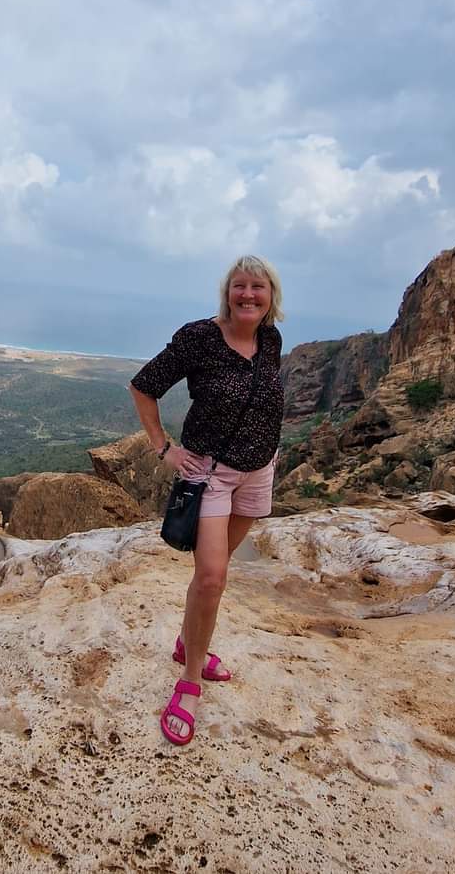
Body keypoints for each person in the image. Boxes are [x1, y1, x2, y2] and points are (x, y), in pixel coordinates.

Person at [129, 255, 285, 746]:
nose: (248, 295)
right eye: (240, 286)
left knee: (212, 576)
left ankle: (185, 642)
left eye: (257, 287)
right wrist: (163, 447)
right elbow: (143, 386)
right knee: (213, 577)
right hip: (210, 474)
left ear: (270, 295)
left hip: (258, 471)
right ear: (227, 292)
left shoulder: (271, 339)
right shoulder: (200, 337)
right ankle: (190, 681)